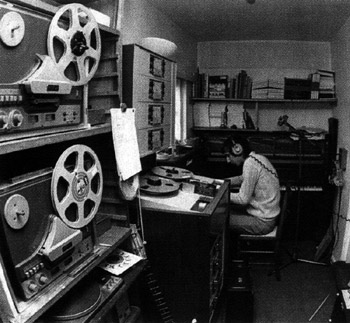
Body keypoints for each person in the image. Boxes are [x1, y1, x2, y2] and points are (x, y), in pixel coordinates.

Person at [222, 136, 280, 235]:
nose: (227, 160)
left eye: (228, 155)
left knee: (218, 219)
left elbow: (242, 199)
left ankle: (224, 249)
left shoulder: (250, 164)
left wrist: (219, 193)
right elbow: (242, 178)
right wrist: (220, 182)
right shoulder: (257, 158)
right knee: (226, 210)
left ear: (237, 150)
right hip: (266, 216)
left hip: (262, 223)